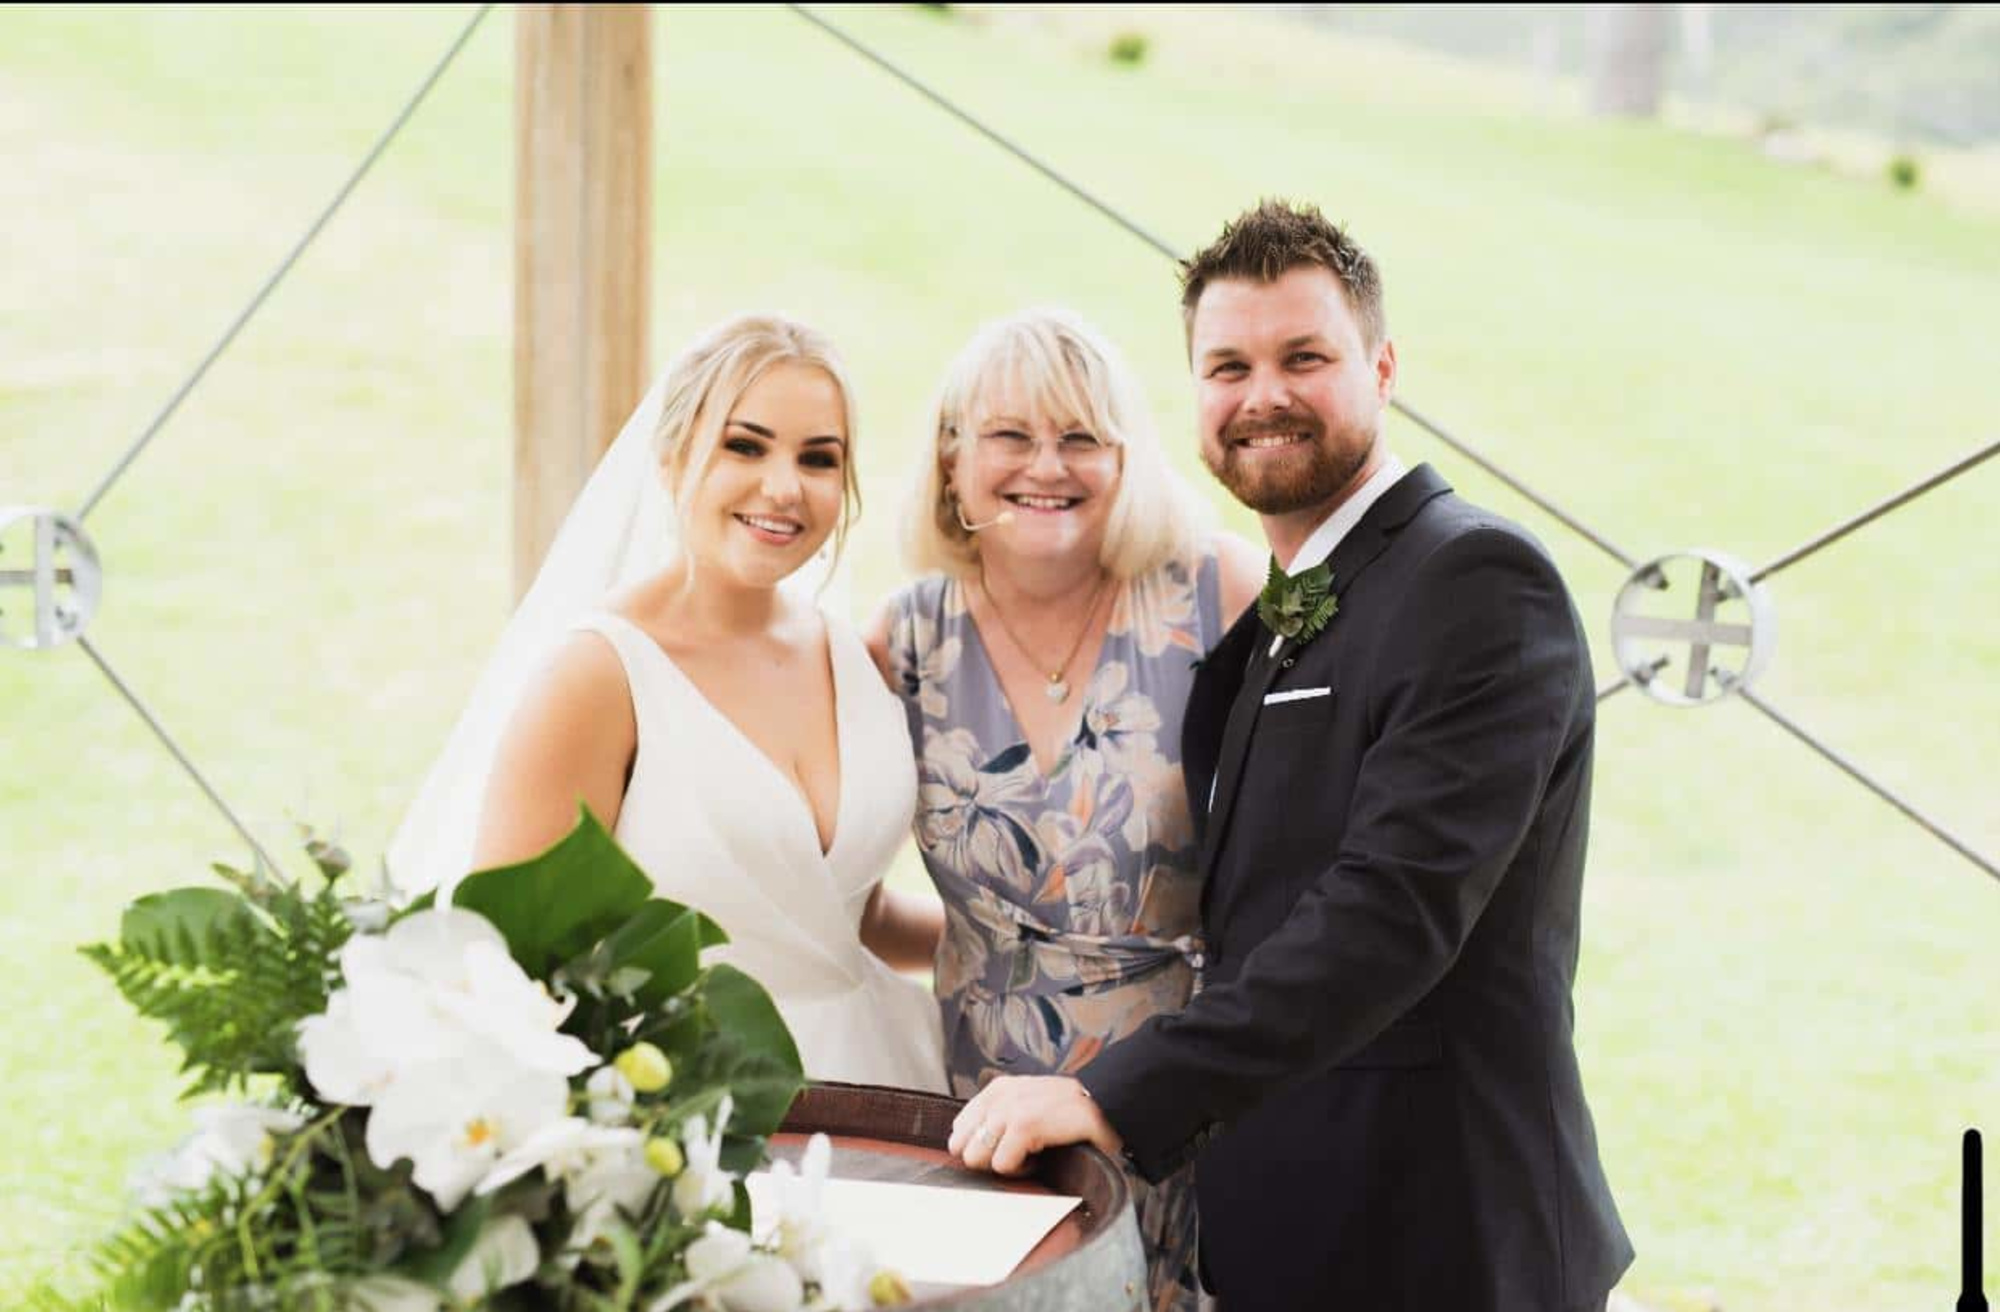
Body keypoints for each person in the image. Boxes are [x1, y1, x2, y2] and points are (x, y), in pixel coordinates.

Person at [946, 203, 1633, 1311]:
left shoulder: (1475, 583)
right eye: (1227, 366)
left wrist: (1113, 1095)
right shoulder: (1280, 608)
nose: (1260, 394)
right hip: (1291, 1219)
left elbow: (1390, 909)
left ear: (1382, 367)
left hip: (1439, 1232)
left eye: (1301, 357)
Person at [390, 313, 947, 1093]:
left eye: (818, 459)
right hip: (691, 1118)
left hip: (894, 1090)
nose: (783, 486)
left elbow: (847, 921)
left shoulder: (855, 657)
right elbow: (508, 960)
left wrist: (1035, 952)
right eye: (745, 446)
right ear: (672, 454)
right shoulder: (599, 677)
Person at [863, 308, 1264, 1311]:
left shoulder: (1214, 594)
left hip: (1181, 1093)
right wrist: (981, 946)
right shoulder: (902, 643)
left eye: (1079, 436)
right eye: (1010, 435)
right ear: (952, 457)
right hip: (982, 1107)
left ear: (1123, 457)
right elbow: (853, 898)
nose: (1046, 464)